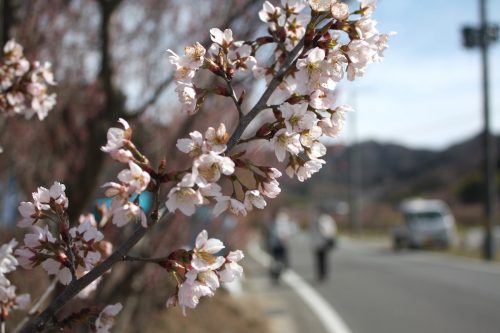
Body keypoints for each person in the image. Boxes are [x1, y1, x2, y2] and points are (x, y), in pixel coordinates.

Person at [267, 210, 293, 283]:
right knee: (278, 261)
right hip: (278, 245)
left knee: (278, 261)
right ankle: (276, 274)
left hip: (279, 245)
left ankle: (276, 274)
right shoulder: (274, 224)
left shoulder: (274, 224)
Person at [310, 211, 337, 281]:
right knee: (322, 260)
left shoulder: (322, 220)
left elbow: (328, 231)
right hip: (320, 243)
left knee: (321, 260)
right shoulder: (323, 220)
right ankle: (322, 274)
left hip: (321, 243)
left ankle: (322, 274)